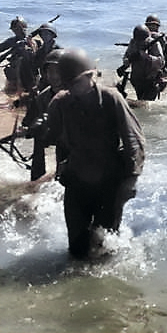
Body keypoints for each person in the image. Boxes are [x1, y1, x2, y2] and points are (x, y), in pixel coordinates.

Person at [43, 48, 145, 259]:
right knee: (76, 250)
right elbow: (48, 134)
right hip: (76, 181)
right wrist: (35, 129)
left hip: (109, 184)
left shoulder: (111, 99)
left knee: (104, 247)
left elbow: (133, 140)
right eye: (68, 85)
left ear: (91, 75)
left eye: (76, 83)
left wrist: (131, 180)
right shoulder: (61, 102)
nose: (73, 89)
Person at [20, 49, 65, 181]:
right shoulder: (42, 97)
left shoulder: (76, 93)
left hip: (73, 139)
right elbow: (31, 118)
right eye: (50, 71)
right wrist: (27, 129)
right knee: (38, 134)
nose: (54, 76)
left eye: (58, 71)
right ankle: (37, 175)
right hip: (54, 133)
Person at [119, 24, 165, 101]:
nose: (140, 43)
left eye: (142, 41)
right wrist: (126, 61)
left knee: (147, 102)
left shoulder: (154, 44)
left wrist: (146, 57)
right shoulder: (133, 43)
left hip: (151, 79)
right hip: (137, 79)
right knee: (140, 99)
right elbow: (126, 56)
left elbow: (161, 62)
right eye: (138, 41)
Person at [0, 16, 36, 95]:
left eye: (18, 29)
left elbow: (36, 54)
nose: (17, 31)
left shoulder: (33, 41)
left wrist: (28, 44)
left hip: (29, 68)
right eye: (15, 29)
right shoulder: (11, 41)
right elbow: (1, 47)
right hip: (15, 68)